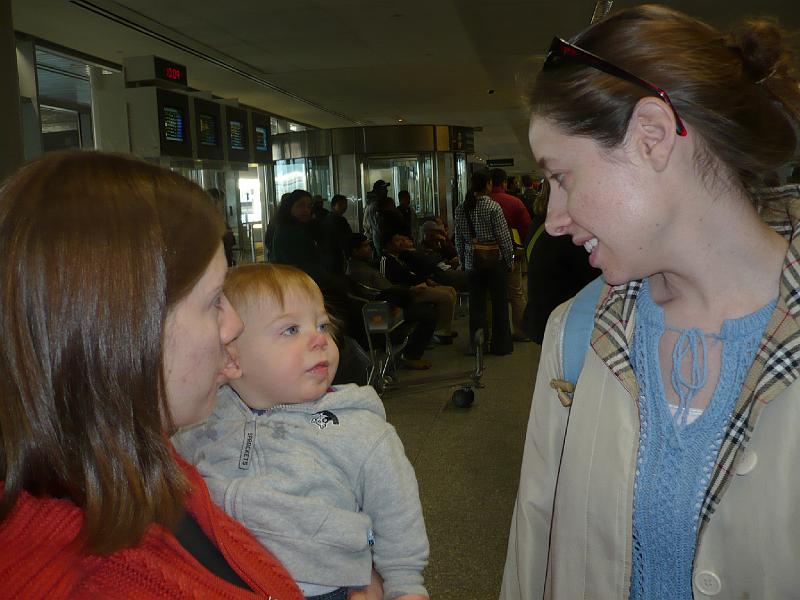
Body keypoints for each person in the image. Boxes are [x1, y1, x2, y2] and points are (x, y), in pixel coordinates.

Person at [501, 6, 800, 600]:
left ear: (652, 136)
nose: (554, 220)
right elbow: (534, 547)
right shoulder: (579, 332)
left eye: (561, 176)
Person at [0, 152, 302, 599]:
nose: (234, 325)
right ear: (123, 330)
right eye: (215, 300)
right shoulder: (95, 581)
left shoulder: (136, 467)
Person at [173, 264, 429, 600]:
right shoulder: (204, 416)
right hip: (219, 580)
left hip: (322, 589)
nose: (319, 339)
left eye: (322, 324)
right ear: (231, 357)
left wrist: (406, 586)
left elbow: (397, 514)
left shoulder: (359, 429)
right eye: (291, 330)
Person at [522, 179, 601, 343]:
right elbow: (593, 279)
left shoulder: (538, 225)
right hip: (564, 325)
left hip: (541, 316)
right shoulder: (566, 234)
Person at [347, 233, 436, 369]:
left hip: (387, 304)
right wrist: (407, 290)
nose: (370, 248)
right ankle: (410, 356)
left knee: (424, 308)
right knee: (427, 314)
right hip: (380, 313)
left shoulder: (363, 266)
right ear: (354, 251)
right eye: (365, 246)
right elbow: (381, 291)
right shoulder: (360, 271)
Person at [454, 171, 515, 355]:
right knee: (499, 304)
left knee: (477, 305)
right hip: (494, 262)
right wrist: (510, 258)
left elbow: (458, 239)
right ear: (488, 184)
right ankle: (501, 345)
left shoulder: (461, 208)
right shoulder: (493, 207)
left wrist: (465, 262)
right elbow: (503, 238)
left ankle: (478, 345)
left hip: (473, 262)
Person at [382, 232, 458, 342]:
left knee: (451, 290)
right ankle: (440, 332)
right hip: (407, 291)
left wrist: (425, 280)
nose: (401, 243)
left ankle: (445, 328)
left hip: (415, 286)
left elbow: (411, 274)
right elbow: (391, 283)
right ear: (388, 245)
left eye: (401, 240)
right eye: (397, 241)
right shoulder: (386, 260)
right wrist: (410, 289)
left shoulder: (400, 257)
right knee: (445, 297)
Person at [489, 168, 532, 341]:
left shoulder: (481, 203)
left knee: (490, 295)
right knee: (516, 293)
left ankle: (491, 332)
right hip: (511, 254)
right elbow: (526, 229)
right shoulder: (515, 202)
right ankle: (521, 331)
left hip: (487, 257)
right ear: (505, 182)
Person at [321, 193, 354, 274]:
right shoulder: (338, 220)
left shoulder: (328, 218)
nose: (344, 206)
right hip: (336, 253)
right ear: (333, 205)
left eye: (345, 204)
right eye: (341, 204)